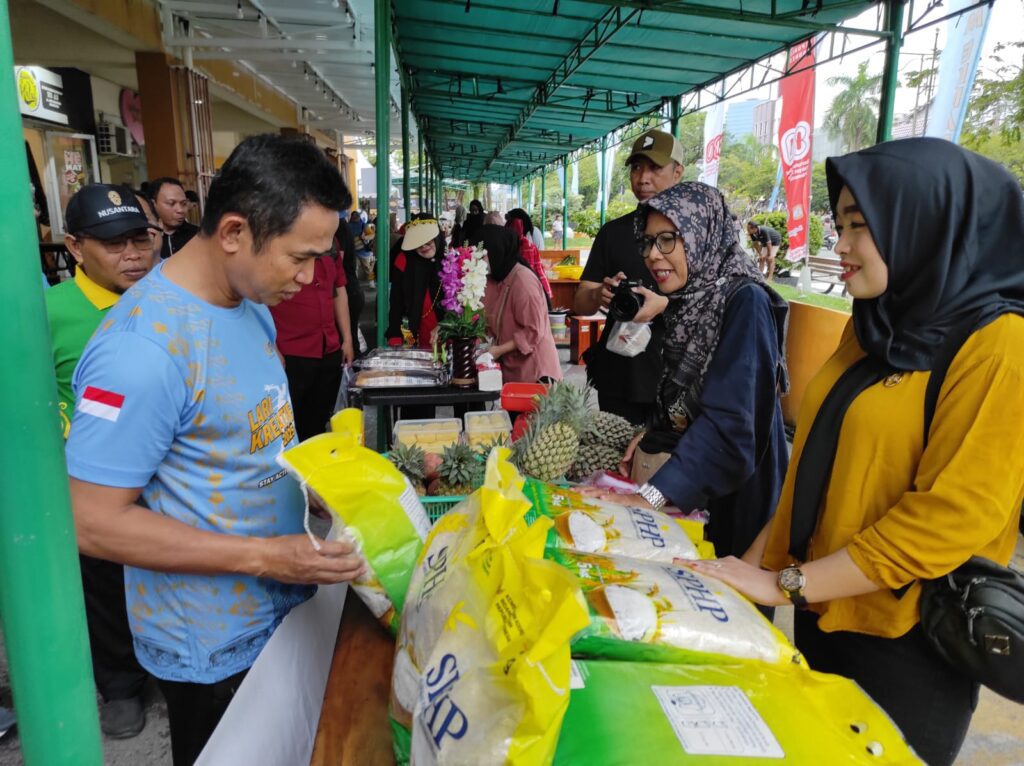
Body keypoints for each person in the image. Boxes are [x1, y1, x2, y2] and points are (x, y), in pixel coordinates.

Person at [690, 139, 1024, 766]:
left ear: (924, 223)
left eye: (858, 226)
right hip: (822, 612)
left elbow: (946, 523)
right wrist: (745, 574)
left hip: (908, 643)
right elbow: (814, 471)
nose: (839, 244)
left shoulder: (999, 345)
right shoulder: (872, 323)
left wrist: (783, 583)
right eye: (838, 224)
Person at [65, 134, 366, 766]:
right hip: (211, 645)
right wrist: (265, 556)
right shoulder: (141, 349)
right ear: (233, 231)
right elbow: (90, 521)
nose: (310, 277)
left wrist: (309, 485)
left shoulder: (249, 304)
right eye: (300, 257)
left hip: (279, 607)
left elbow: (250, 438)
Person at [596, 183, 789, 560]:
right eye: (648, 242)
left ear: (703, 234)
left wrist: (650, 497)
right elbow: (685, 396)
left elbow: (729, 424)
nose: (653, 254)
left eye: (668, 239)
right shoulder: (692, 300)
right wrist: (657, 433)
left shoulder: (745, 302)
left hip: (737, 496)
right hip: (698, 485)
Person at [45, 183, 158, 737]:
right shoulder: (49, 314)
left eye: (141, 239)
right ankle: (120, 684)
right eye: (114, 244)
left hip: (166, 478)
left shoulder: (166, 298)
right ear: (74, 246)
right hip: (95, 482)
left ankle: (168, 668)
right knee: (106, 586)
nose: (132, 255)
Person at [574, 128, 684, 424]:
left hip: (675, 380)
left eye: (655, 168)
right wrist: (599, 295)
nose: (643, 178)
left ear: (677, 173)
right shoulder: (613, 233)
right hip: (618, 376)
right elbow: (580, 302)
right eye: (636, 167)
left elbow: (717, 303)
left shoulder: (695, 235)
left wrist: (664, 305)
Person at [269, 223, 354, 442]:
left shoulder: (331, 245)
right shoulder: (278, 241)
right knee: (290, 425)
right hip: (291, 352)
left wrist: (347, 338)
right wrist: (271, 346)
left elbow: (339, 291)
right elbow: (257, 300)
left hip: (329, 348)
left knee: (319, 421)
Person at [481, 224, 562, 384]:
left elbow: (533, 330)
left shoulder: (523, 281)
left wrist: (498, 350)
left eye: (482, 255)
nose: (479, 261)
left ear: (497, 251)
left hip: (535, 370)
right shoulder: (494, 276)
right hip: (511, 366)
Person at [385, 216, 445, 348]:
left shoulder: (451, 259)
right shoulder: (404, 260)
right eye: (417, 242)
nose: (423, 246)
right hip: (415, 336)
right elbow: (396, 300)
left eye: (428, 240)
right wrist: (395, 334)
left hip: (450, 336)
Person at [150, 177, 200, 259]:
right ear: (153, 204)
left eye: (183, 204)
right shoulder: (146, 238)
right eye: (171, 203)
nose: (180, 210)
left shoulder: (198, 235)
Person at [507, 215, 551, 307]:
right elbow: (536, 270)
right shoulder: (528, 245)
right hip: (533, 288)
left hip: (526, 289)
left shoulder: (517, 246)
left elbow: (529, 272)